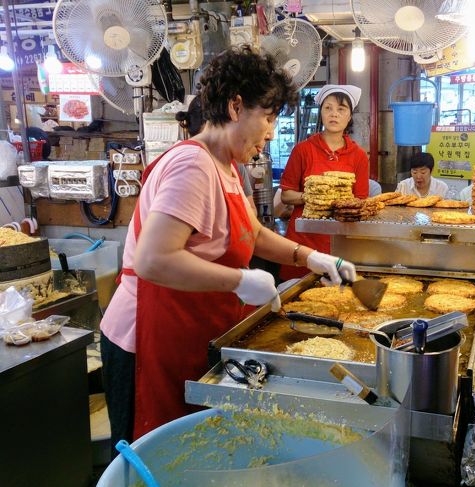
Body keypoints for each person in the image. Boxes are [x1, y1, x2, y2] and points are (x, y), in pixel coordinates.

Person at [99, 47, 357, 452]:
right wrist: (239, 280)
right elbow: (154, 259)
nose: (271, 132)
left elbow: (251, 232)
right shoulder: (192, 166)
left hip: (190, 330)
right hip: (145, 344)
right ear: (237, 107)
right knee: (155, 457)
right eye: (268, 118)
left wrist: (309, 257)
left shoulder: (228, 167)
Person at [279, 84, 369, 281]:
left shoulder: (359, 156)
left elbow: (360, 200)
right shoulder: (303, 150)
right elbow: (286, 194)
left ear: (350, 116)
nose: (334, 114)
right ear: (321, 113)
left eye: (341, 109)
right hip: (303, 241)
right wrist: (312, 196)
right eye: (328, 108)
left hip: (340, 241)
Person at [177, 95, 256, 213]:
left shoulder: (233, 167)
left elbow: (252, 217)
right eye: (268, 120)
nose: (270, 135)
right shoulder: (191, 166)